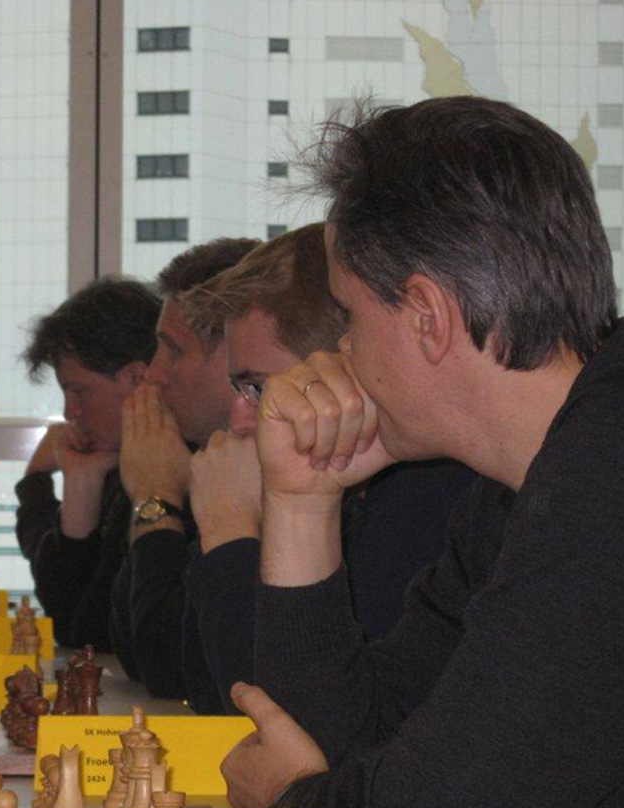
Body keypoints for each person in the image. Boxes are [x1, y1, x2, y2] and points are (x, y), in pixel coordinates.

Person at [219, 97, 624, 808]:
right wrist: (303, 501)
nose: (339, 353)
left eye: (349, 316)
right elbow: (347, 742)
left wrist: (293, 806)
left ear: (427, 316)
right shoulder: (527, 484)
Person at [179, 226, 474, 712]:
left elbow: (279, 719)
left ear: (341, 364)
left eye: (257, 388)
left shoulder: (430, 499)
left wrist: (229, 535)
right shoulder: (354, 490)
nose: (238, 419)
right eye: (238, 389)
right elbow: (199, 687)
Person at [107, 238, 258, 699]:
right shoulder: (193, 456)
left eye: (172, 350)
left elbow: (169, 666)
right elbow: (129, 647)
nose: (154, 374)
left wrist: (157, 501)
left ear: (234, 356)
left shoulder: (268, 476)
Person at [14, 277, 158, 651]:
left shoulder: (162, 473)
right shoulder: (113, 464)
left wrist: (37, 480)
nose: (69, 412)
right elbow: (65, 616)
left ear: (138, 378)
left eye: (79, 391)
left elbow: (89, 633)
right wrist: (82, 481)